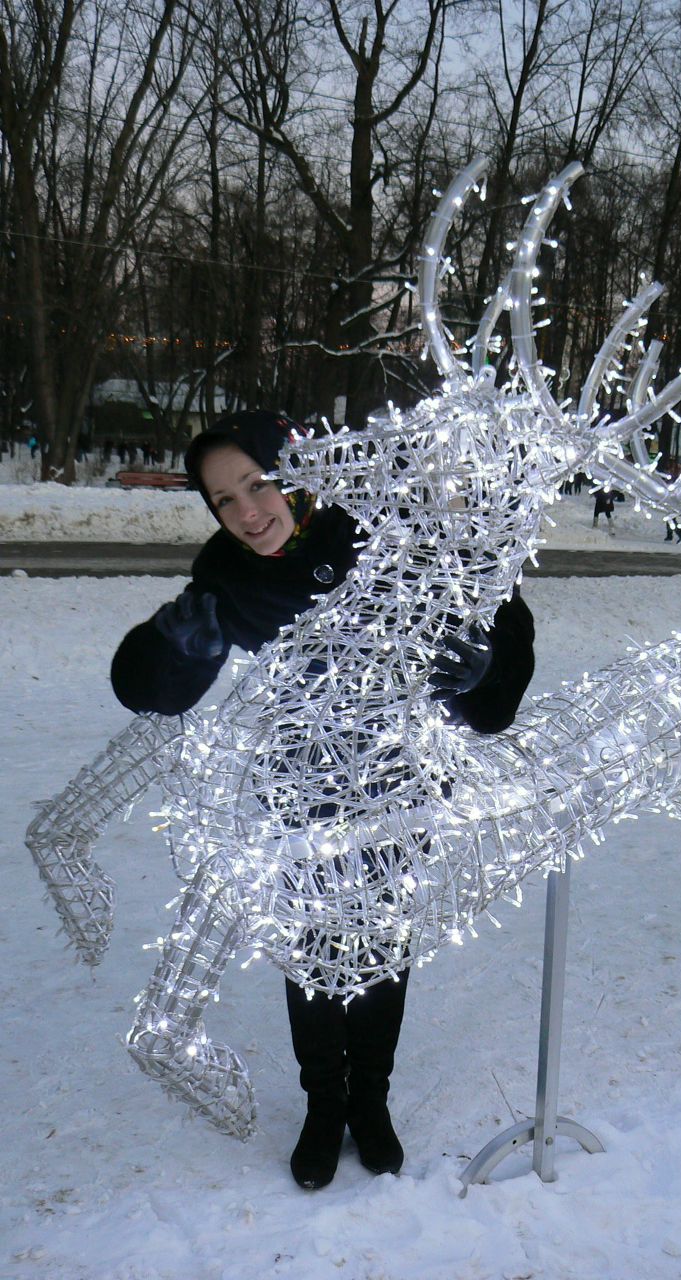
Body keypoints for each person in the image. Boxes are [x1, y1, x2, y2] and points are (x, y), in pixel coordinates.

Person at [110, 410, 536, 1190]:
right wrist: (177, 644)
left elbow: (498, 609)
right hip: (299, 798)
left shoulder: (381, 531)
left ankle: (369, 1103)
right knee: (310, 956)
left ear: (295, 474)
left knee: (380, 953)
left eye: (257, 482)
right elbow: (150, 688)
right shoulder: (228, 578)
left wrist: (482, 669)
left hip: (397, 787)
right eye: (224, 500)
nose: (248, 511)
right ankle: (323, 1105)